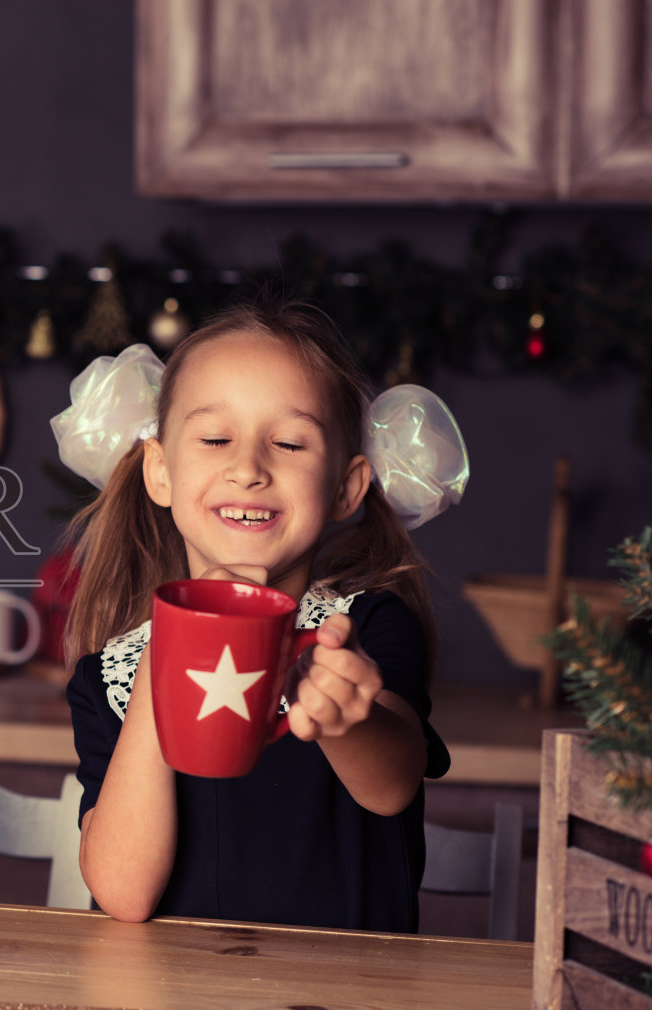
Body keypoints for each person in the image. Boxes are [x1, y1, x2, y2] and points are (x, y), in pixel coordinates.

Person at [49, 295, 468, 931]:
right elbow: (124, 894)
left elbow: (391, 788)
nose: (247, 469)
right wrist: (170, 650)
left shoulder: (362, 630)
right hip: (176, 989)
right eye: (215, 439)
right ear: (159, 472)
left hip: (347, 988)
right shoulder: (109, 676)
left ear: (346, 487)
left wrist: (341, 718)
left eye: (290, 443)